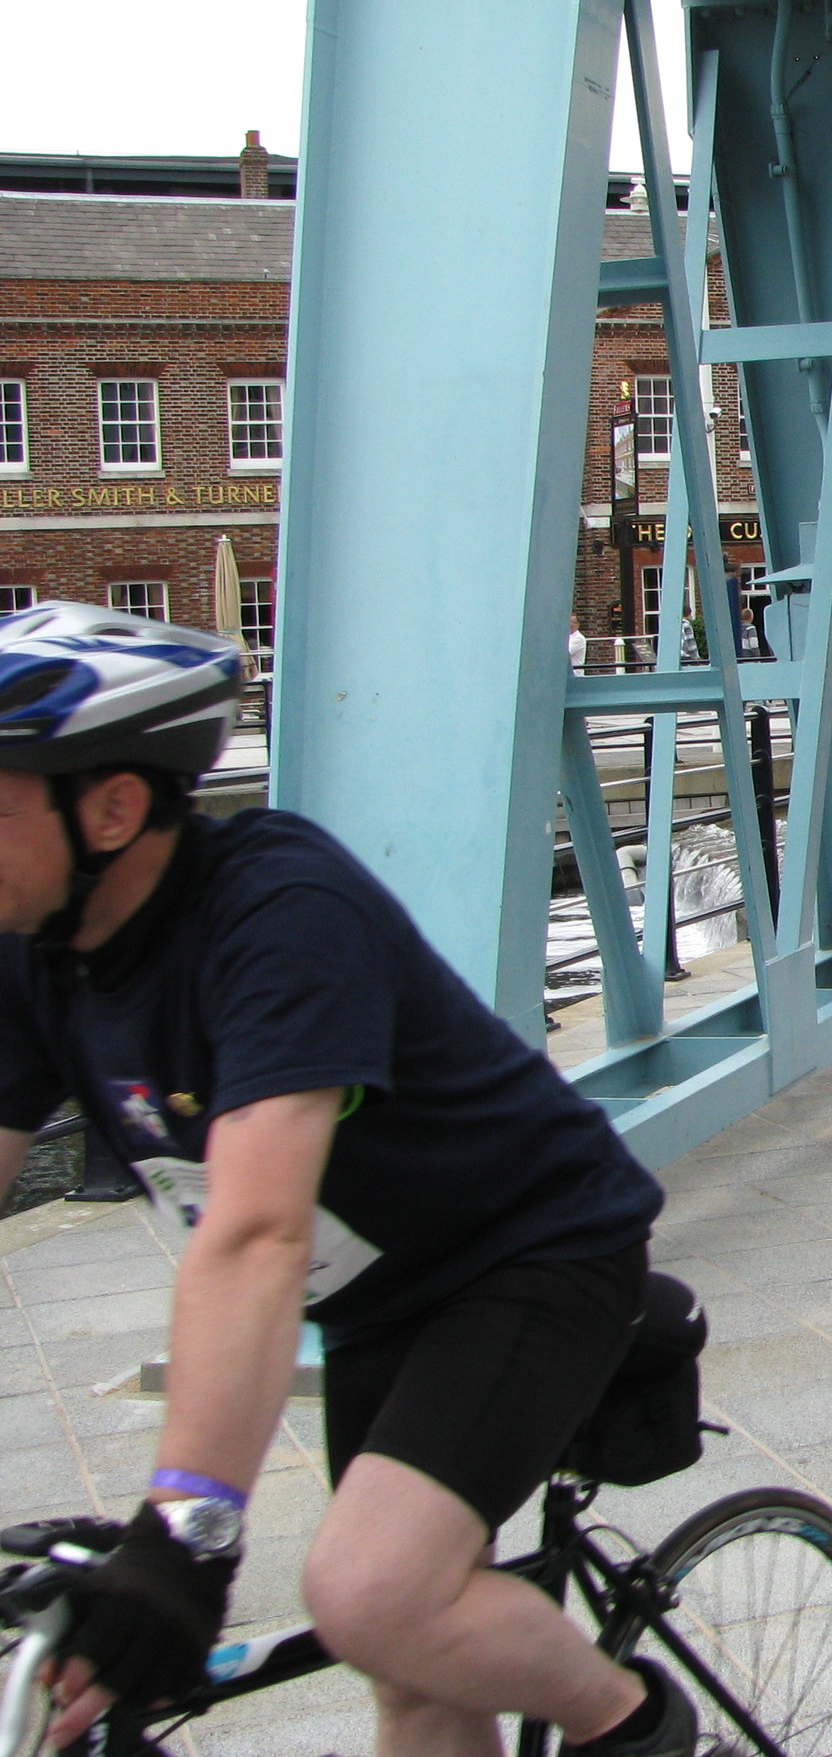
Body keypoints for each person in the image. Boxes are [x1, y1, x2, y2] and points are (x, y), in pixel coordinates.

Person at [0, 604, 687, 1757]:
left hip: (528, 1249)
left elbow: (256, 1234)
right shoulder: (34, 951)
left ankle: (641, 1726)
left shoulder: (275, 909)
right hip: (375, 1298)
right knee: (410, 1667)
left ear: (112, 808)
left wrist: (187, 1535)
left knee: (372, 1593)